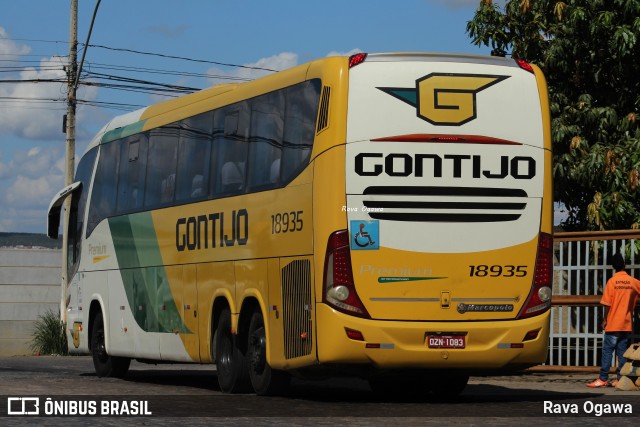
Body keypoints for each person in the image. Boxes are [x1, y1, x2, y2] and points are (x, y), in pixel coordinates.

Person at [586, 253, 640, 388]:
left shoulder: (612, 281)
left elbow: (607, 304)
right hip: (626, 323)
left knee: (607, 351)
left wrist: (605, 320)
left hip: (613, 323)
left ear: (613, 266)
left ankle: (603, 378)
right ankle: (619, 379)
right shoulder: (634, 282)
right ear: (624, 265)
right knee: (621, 352)